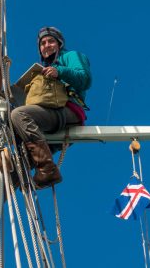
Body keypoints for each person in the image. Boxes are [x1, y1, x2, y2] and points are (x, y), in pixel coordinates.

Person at [11, 27, 92, 189]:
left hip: (68, 112)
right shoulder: (43, 69)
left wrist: (59, 71)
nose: (46, 45)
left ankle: (47, 169)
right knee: (15, 166)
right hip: (48, 118)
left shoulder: (70, 56)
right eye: (43, 43)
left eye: (51, 41)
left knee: (19, 115)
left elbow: (85, 79)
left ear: (59, 44)